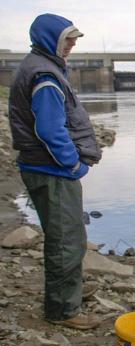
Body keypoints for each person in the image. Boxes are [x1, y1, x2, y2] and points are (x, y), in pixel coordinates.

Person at [8, 13, 103, 329]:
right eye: (68, 38)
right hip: (50, 170)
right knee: (64, 240)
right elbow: (50, 130)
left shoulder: (42, 67)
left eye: (75, 38)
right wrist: (72, 163)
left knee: (71, 235)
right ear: (51, 39)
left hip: (47, 169)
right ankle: (63, 310)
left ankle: (69, 293)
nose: (74, 44)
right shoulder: (45, 76)